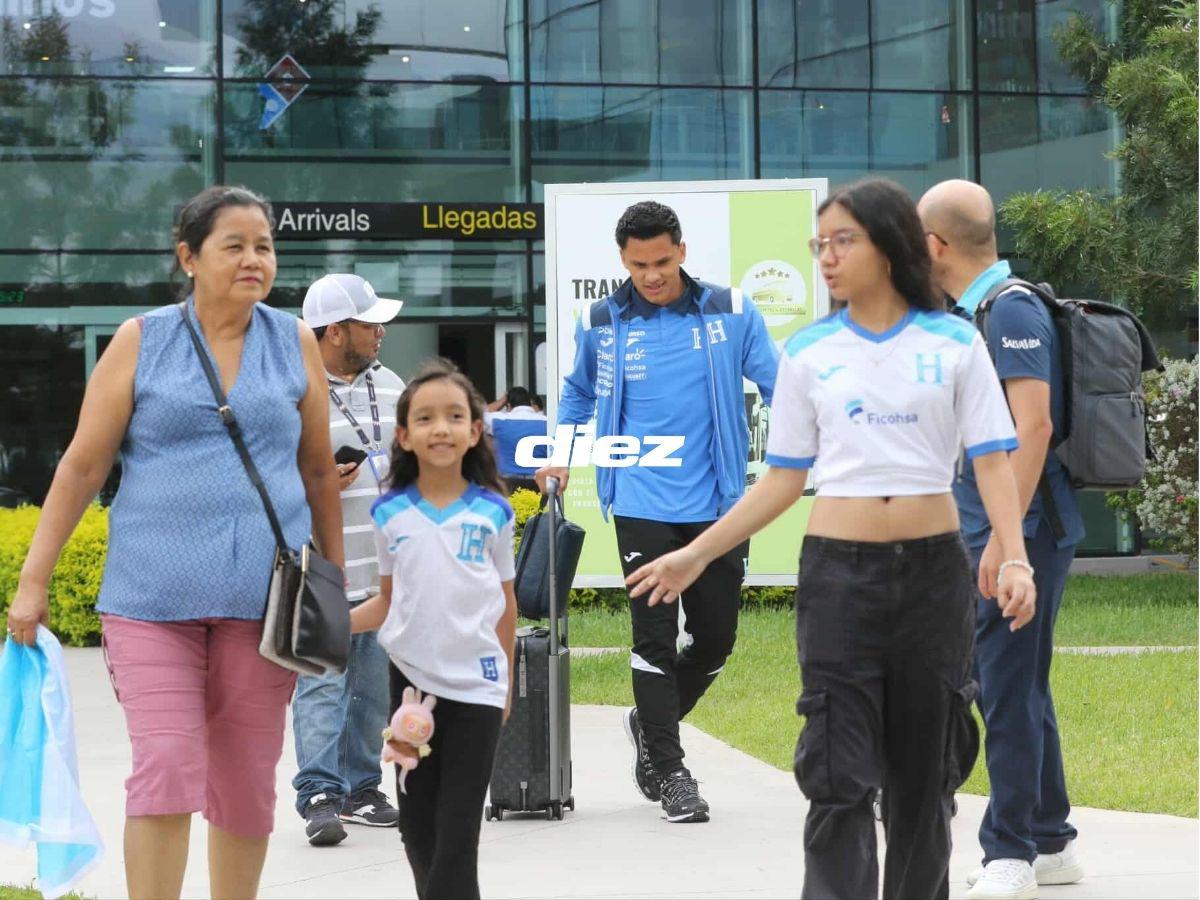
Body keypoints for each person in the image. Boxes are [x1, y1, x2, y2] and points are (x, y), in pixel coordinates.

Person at [626, 178, 1038, 900]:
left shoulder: (955, 340)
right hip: (838, 580)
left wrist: (1014, 556)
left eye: (842, 241)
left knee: (924, 777)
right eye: (820, 245)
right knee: (838, 776)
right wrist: (697, 553)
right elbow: (782, 480)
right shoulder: (812, 352)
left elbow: (993, 457)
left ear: (889, 246)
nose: (827, 257)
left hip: (934, 575)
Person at [3, 185, 344, 899]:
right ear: (188, 256)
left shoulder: (294, 341)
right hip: (152, 601)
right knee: (165, 762)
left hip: (265, 607)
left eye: (265, 246)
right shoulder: (142, 339)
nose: (255, 260)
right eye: (235, 246)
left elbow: (317, 469)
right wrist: (34, 581)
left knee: (247, 776)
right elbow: (83, 465)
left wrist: (333, 581)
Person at [536, 200, 779, 823]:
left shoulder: (730, 310)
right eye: (639, 264)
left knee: (717, 640)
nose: (651, 275)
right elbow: (577, 391)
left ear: (683, 250)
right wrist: (560, 452)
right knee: (652, 639)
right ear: (623, 258)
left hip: (721, 504)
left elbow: (783, 384)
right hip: (642, 500)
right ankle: (672, 774)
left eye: (662, 261)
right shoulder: (604, 318)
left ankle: (646, 724)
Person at [919, 180, 1086, 900]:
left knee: (1005, 689)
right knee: (1017, 683)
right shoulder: (975, 312)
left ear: (934, 247)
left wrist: (1005, 542)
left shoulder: (1009, 310)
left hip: (1021, 531)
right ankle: (1050, 841)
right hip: (1006, 528)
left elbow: (1034, 427)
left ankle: (1010, 853)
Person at [350, 358, 517, 900]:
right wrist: (324, 626)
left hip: (478, 689)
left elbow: (506, 607)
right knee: (416, 825)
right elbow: (387, 602)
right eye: (424, 418)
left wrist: (507, 684)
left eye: (453, 416)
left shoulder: (494, 513)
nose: (439, 428)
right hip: (410, 692)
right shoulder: (388, 514)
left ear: (475, 430)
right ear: (404, 435)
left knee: (457, 831)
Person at [291, 273, 405, 846]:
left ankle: (362, 787)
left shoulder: (391, 385)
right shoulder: (295, 388)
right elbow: (267, 475)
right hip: (321, 567)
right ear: (335, 331)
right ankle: (317, 792)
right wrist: (315, 485)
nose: (381, 331)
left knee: (372, 685)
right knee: (321, 682)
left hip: (385, 571)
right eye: (369, 322)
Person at [485, 385, 548, 493]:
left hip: (507, 481)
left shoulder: (497, 420)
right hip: (538, 481)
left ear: (508, 405)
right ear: (530, 404)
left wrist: (501, 401)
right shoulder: (547, 421)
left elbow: (476, 414)